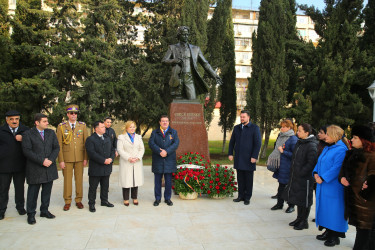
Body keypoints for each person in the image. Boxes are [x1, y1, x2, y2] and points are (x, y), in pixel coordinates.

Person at [162, 26, 222, 100]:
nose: (186, 36)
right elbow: (164, 60)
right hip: (177, 77)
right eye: (184, 34)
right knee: (177, 101)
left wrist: (215, 75)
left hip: (189, 77)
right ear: (179, 35)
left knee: (192, 99)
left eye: (187, 34)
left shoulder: (195, 49)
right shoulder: (172, 47)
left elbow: (205, 63)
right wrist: (173, 60)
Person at [339, 125, 375, 250]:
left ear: (364, 140)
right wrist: (341, 178)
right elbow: (343, 170)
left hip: (366, 203)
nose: (351, 140)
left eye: (355, 137)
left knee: (365, 233)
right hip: (355, 199)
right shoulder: (351, 153)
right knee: (362, 232)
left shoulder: (372, 156)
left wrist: (366, 192)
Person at [313, 125, 349, 247]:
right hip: (323, 184)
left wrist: (323, 178)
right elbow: (319, 162)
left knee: (334, 211)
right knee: (325, 209)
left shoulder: (341, 150)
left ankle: (335, 235)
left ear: (334, 136)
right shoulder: (327, 148)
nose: (325, 136)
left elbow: (336, 168)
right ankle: (328, 231)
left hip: (333, 186)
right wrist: (316, 173)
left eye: (327, 134)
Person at [22, 113, 60, 225]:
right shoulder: (28, 134)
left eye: (47, 121)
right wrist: (42, 160)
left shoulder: (51, 133)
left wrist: (51, 160)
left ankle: (44, 210)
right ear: (37, 122)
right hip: (35, 168)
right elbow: (27, 151)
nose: (47, 123)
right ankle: (31, 214)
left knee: (47, 192)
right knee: (33, 193)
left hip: (49, 167)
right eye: (44, 121)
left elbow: (56, 147)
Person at [283, 123, 318, 230]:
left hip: (306, 178)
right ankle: (299, 218)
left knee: (305, 199)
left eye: (299, 131)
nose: (297, 132)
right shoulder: (300, 142)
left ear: (307, 133)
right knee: (298, 198)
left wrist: (301, 172)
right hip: (297, 176)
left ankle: (304, 221)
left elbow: (311, 163)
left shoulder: (311, 145)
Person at [56, 104, 88, 211]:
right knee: (67, 181)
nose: (73, 115)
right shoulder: (61, 126)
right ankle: (67, 201)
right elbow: (59, 145)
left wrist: (85, 158)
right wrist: (61, 160)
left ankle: (78, 200)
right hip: (67, 158)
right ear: (67, 114)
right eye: (71, 113)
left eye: (75, 113)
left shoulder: (82, 126)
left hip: (79, 157)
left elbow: (85, 143)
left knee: (79, 180)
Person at [0, 110, 29, 220]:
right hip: (4, 166)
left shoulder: (25, 130)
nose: (14, 121)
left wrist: (23, 139)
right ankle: (2, 209)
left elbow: (32, 144)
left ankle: (20, 207)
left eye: (16, 119)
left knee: (20, 188)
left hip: (20, 165)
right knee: (3, 189)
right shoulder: (1, 131)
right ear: (7, 120)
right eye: (11, 119)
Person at [228, 110, 262, 205]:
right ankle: (240, 196)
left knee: (248, 179)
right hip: (239, 158)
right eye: (241, 117)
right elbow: (232, 142)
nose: (242, 118)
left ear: (248, 117)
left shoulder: (254, 128)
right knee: (240, 178)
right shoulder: (237, 128)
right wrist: (230, 153)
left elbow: (258, 143)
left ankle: (247, 197)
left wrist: (254, 156)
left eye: (244, 117)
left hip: (249, 158)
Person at [148, 115, 179, 206]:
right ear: (160, 122)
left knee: (168, 181)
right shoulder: (154, 132)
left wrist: (166, 151)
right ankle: (157, 199)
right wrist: (159, 151)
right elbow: (151, 143)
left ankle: (167, 199)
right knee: (157, 181)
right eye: (163, 121)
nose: (165, 122)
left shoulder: (173, 132)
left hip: (169, 160)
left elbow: (176, 143)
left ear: (169, 122)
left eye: (166, 121)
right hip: (158, 160)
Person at [268, 119, 298, 213]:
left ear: (289, 128)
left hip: (289, 168)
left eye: (284, 127)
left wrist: (283, 152)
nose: (281, 128)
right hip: (281, 166)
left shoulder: (293, 139)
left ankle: (291, 206)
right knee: (281, 186)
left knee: (289, 188)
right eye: (281, 126)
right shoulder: (281, 136)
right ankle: (279, 204)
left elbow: (295, 155)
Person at [85, 121, 116, 212]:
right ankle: (91, 204)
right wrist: (103, 160)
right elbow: (92, 153)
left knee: (105, 186)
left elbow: (112, 149)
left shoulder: (107, 137)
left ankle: (104, 201)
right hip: (96, 167)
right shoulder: (90, 139)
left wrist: (111, 158)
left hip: (107, 167)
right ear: (96, 129)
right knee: (93, 187)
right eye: (102, 127)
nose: (105, 128)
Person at [117, 121, 145, 206]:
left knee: (135, 179)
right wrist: (129, 158)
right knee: (126, 180)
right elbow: (120, 150)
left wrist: (137, 157)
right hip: (126, 162)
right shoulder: (121, 137)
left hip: (136, 162)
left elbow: (142, 149)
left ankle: (134, 197)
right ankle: (126, 199)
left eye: (133, 127)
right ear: (126, 128)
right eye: (130, 127)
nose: (132, 128)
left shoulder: (138, 137)